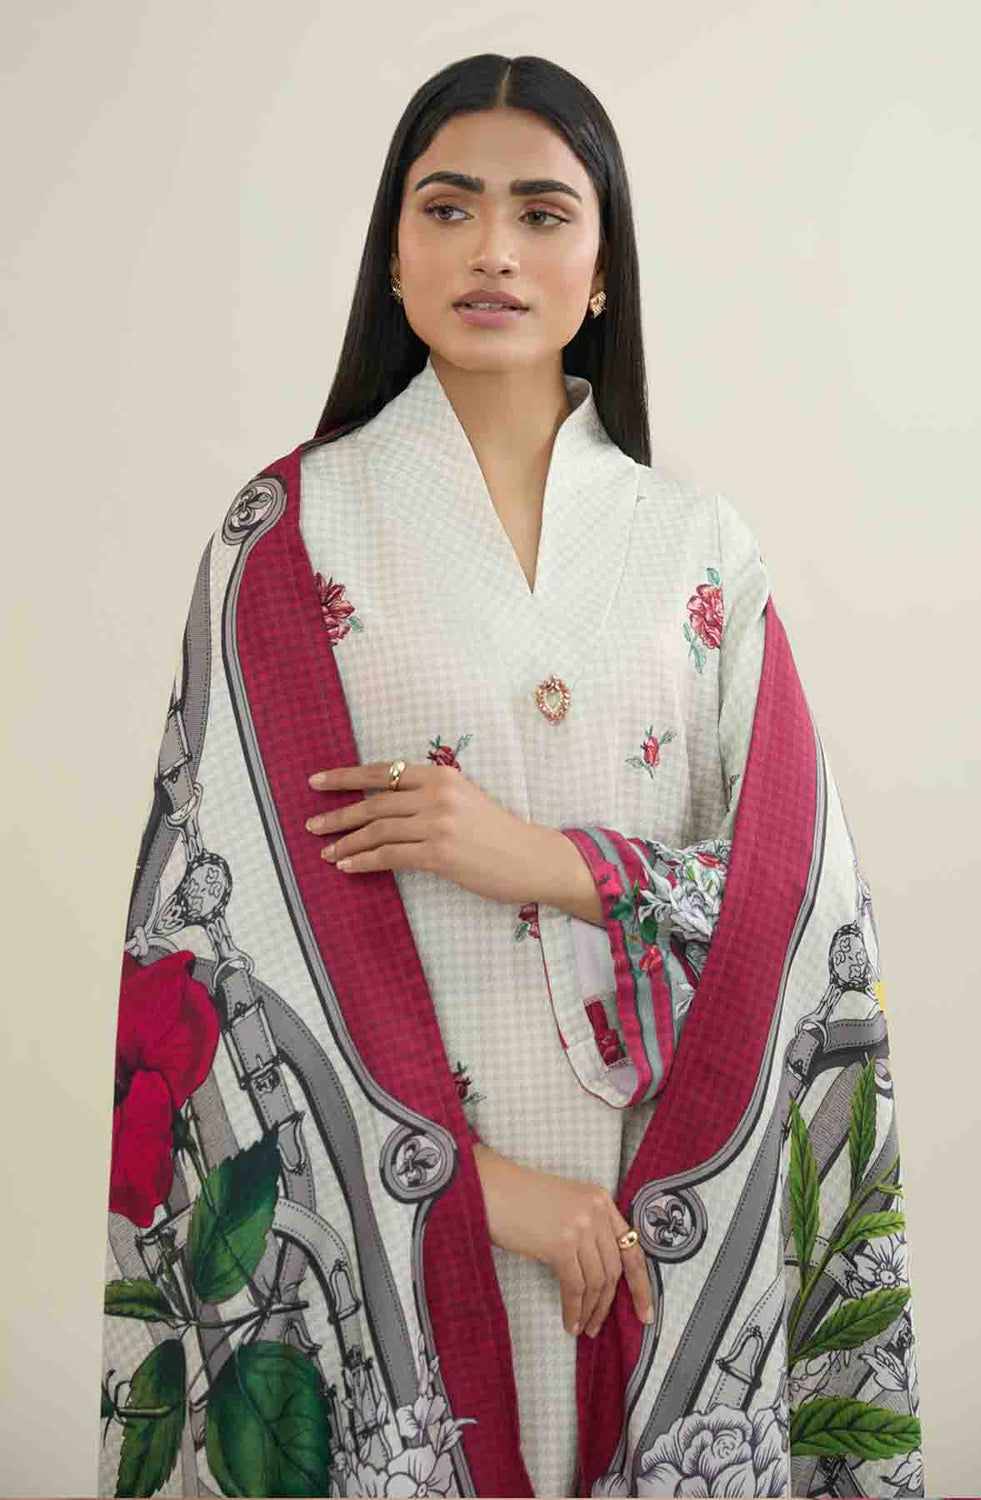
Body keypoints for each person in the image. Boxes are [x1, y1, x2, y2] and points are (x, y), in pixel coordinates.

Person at [98, 53, 923, 1500]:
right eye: (448, 208)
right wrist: (473, 1192)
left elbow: (806, 908)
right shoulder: (283, 541)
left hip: (662, 1198)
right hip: (401, 1226)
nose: (493, 249)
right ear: (394, 258)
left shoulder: (699, 548)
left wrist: (555, 864)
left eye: (543, 213)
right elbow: (215, 944)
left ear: (603, 271)